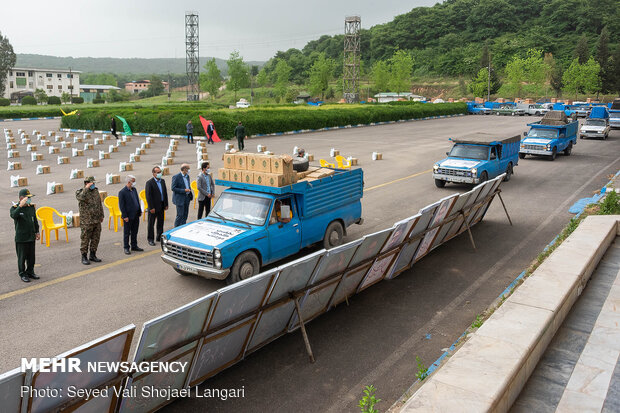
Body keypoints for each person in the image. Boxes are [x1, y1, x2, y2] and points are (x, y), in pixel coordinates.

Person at [10, 188, 40, 282]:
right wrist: (20, 206)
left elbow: (34, 220)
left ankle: (30, 271)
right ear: (21, 198)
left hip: (31, 236)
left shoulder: (31, 207)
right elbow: (13, 216)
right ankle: (22, 274)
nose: (29, 199)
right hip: (21, 238)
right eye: (27, 198)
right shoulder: (15, 208)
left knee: (31, 257)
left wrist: (37, 232)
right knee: (22, 258)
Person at [75, 176, 104, 265]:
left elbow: (99, 203)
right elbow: (80, 198)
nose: (93, 185)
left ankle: (93, 254)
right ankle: (84, 256)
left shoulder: (95, 191)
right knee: (85, 239)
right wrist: (86, 188)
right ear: (87, 183)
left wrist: (101, 215)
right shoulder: (80, 192)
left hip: (96, 220)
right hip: (87, 221)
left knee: (96, 238)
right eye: (92, 183)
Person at [118, 175, 143, 255]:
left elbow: (137, 200)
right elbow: (122, 206)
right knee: (127, 233)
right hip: (128, 216)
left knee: (134, 231)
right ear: (129, 182)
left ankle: (134, 245)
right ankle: (126, 247)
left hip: (136, 214)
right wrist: (125, 216)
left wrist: (139, 210)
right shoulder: (122, 192)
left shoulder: (134, 190)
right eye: (133, 181)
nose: (134, 183)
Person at [145, 166, 169, 246]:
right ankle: (150, 239)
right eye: (157, 172)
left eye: (160, 172)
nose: (159, 174)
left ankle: (159, 237)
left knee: (160, 222)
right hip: (153, 207)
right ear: (154, 173)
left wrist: (166, 204)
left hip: (161, 205)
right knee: (151, 224)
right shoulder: (149, 183)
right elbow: (148, 196)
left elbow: (165, 193)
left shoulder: (162, 181)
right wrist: (151, 207)